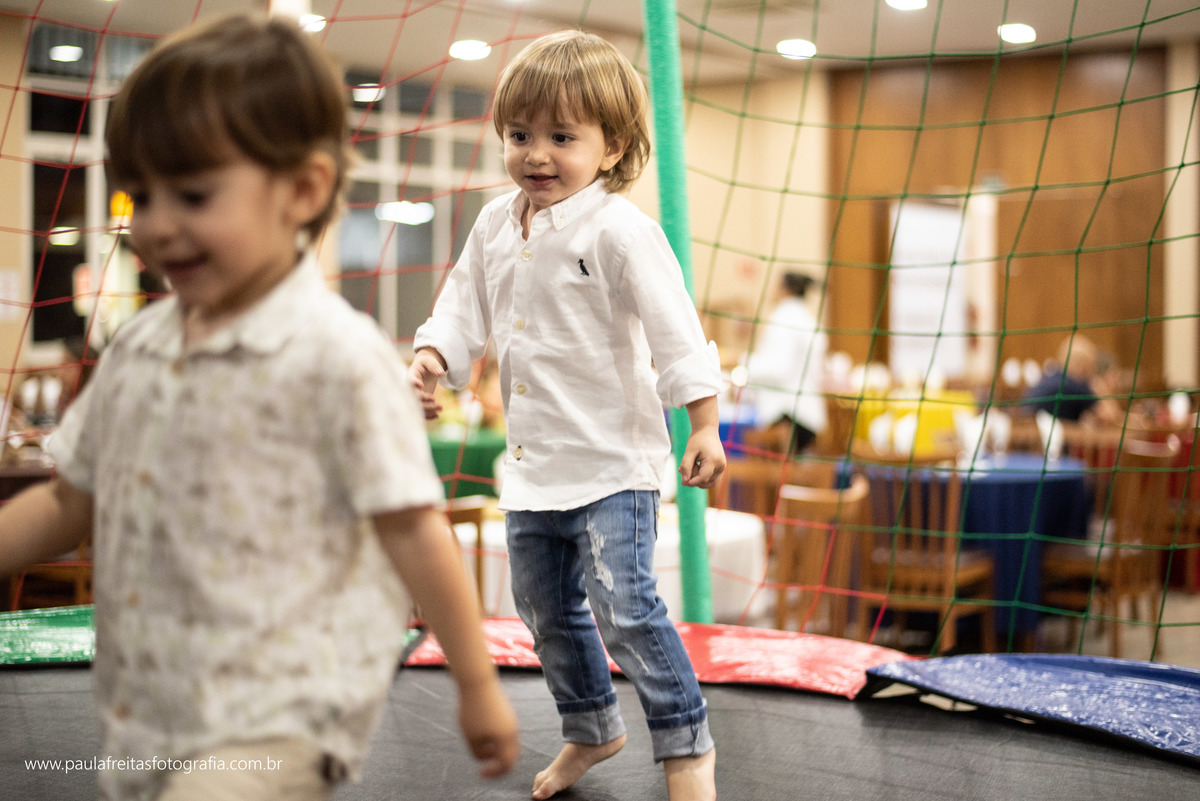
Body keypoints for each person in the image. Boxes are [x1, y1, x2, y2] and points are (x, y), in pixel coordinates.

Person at [0, 14, 518, 801]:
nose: (159, 224)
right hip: (152, 706)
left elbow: (414, 528)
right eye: (146, 195)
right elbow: (70, 498)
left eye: (196, 194)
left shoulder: (338, 359)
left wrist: (476, 682)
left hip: (287, 702)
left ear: (302, 190)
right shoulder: (139, 349)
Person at [408, 29, 724, 801]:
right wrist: (431, 357)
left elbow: (675, 328)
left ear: (611, 147)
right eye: (520, 136)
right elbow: (462, 304)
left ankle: (687, 744)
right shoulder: (493, 224)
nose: (535, 154)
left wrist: (706, 422)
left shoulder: (618, 230)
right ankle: (591, 726)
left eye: (561, 137)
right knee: (543, 606)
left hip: (614, 461)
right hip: (535, 468)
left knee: (625, 601)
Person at [744, 270, 828, 455]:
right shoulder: (807, 319)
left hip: (788, 416)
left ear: (785, 290)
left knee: (784, 480)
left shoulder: (783, 317)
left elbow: (777, 369)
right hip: (808, 416)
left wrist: (743, 364)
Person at [1023, 334, 1121, 424]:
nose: (1092, 371)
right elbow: (1110, 416)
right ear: (1084, 366)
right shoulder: (1075, 386)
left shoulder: (1049, 376)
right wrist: (1101, 389)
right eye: (1092, 365)